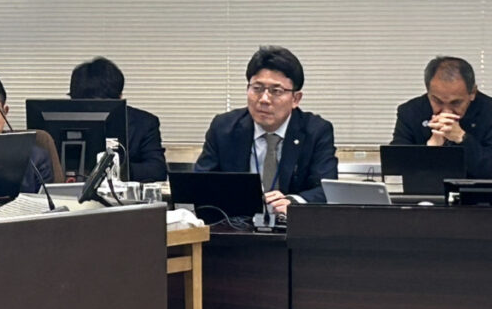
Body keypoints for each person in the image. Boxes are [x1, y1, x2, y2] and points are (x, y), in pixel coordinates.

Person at [193, 46, 337, 213]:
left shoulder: (316, 131)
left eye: (276, 91)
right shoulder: (224, 128)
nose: (264, 99)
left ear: (295, 99)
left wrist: (293, 203)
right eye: (257, 88)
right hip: (235, 222)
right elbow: (200, 183)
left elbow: (326, 189)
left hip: (291, 224)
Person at [390, 56, 492, 179]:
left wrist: (462, 138)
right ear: (428, 92)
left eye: (456, 103)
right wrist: (430, 148)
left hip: (479, 189)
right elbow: (394, 170)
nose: (446, 111)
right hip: (428, 188)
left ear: (473, 93)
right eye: (437, 101)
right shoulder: (410, 112)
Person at [68, 57, 167, 183]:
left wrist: (116, 169)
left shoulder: (143, 123)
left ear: (119, 98)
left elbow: (157, 170)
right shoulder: (60, 119)